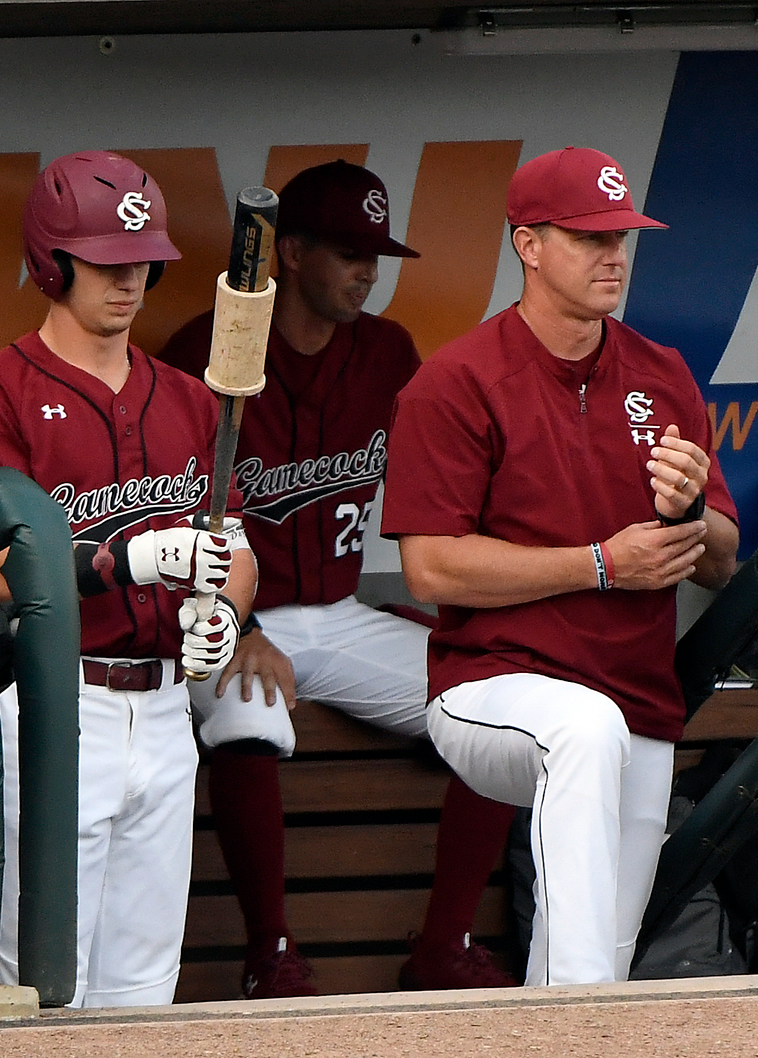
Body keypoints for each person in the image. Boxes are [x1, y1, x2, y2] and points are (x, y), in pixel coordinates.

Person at [380, 146, 740, 985]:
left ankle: (567, 1023)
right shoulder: (459, 380)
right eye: (588, 236)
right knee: (584, 729)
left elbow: (721, 560)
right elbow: (430, 569)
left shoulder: (662, 372)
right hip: (492, 686)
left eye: (621, 236)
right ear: (528, 245)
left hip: (637, 698)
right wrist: (600, 565)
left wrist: (692, 515)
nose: (613, 254)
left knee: (597, 959)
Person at [159, 159, 519, 997]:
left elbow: (457, 482)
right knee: (248, 717)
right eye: (349, 253)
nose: (368, 272)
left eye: (376, 255)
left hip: (341, 611)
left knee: (502, 700)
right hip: (233, 613)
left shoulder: (389, 352)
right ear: (289, 252)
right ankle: (268, 955)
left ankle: (442, 945)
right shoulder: (205, 351)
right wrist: (236, 626)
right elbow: (158, 512)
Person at [0, 151, 255, 1008]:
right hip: (49, 703)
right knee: (33, 985)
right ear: (53, 260)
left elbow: (236, 547)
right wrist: (133, 561)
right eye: (106, 262)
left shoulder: (191, 399)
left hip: (162, 712)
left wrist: (225, 611)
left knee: (145, 988)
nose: (130, 280)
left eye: (142, 261)